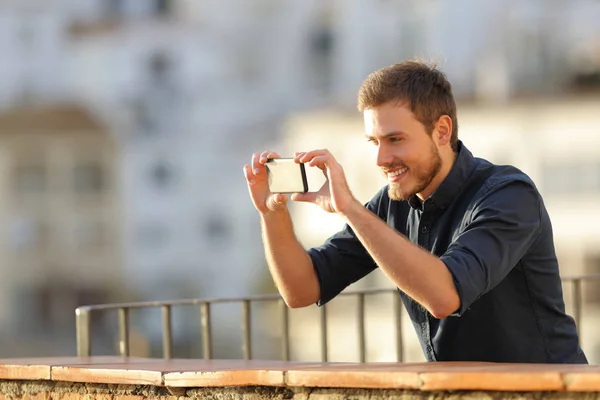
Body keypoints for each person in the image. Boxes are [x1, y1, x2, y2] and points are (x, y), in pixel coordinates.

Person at [242, 60, 587, 363]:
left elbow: (444, 295)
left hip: (548, 390)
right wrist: (271, 214)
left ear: (441, 131)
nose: (380, 159)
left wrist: (350, 209)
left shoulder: (509, 194)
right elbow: (302, 290)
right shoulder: (391, 205)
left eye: (395, 140)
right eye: (374, 142)